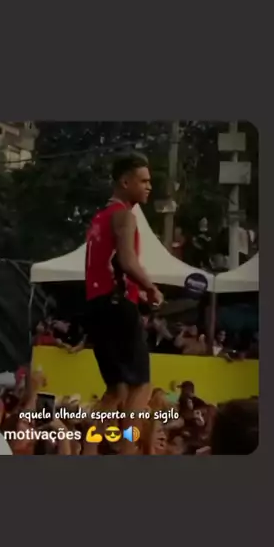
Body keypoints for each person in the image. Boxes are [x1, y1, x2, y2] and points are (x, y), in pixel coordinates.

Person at [84, 152, 163, 454]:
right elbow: (128, 262)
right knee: (140, 387)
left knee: (115, 391)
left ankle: (88, 451)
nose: (149, 186)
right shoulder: (124, 216)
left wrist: (136, 292)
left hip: (97, 305)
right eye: (143, 181)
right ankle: (128, 451)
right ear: (125, 182)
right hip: (117, 307)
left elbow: (109, 266)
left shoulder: (99, 218)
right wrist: (151, 288)